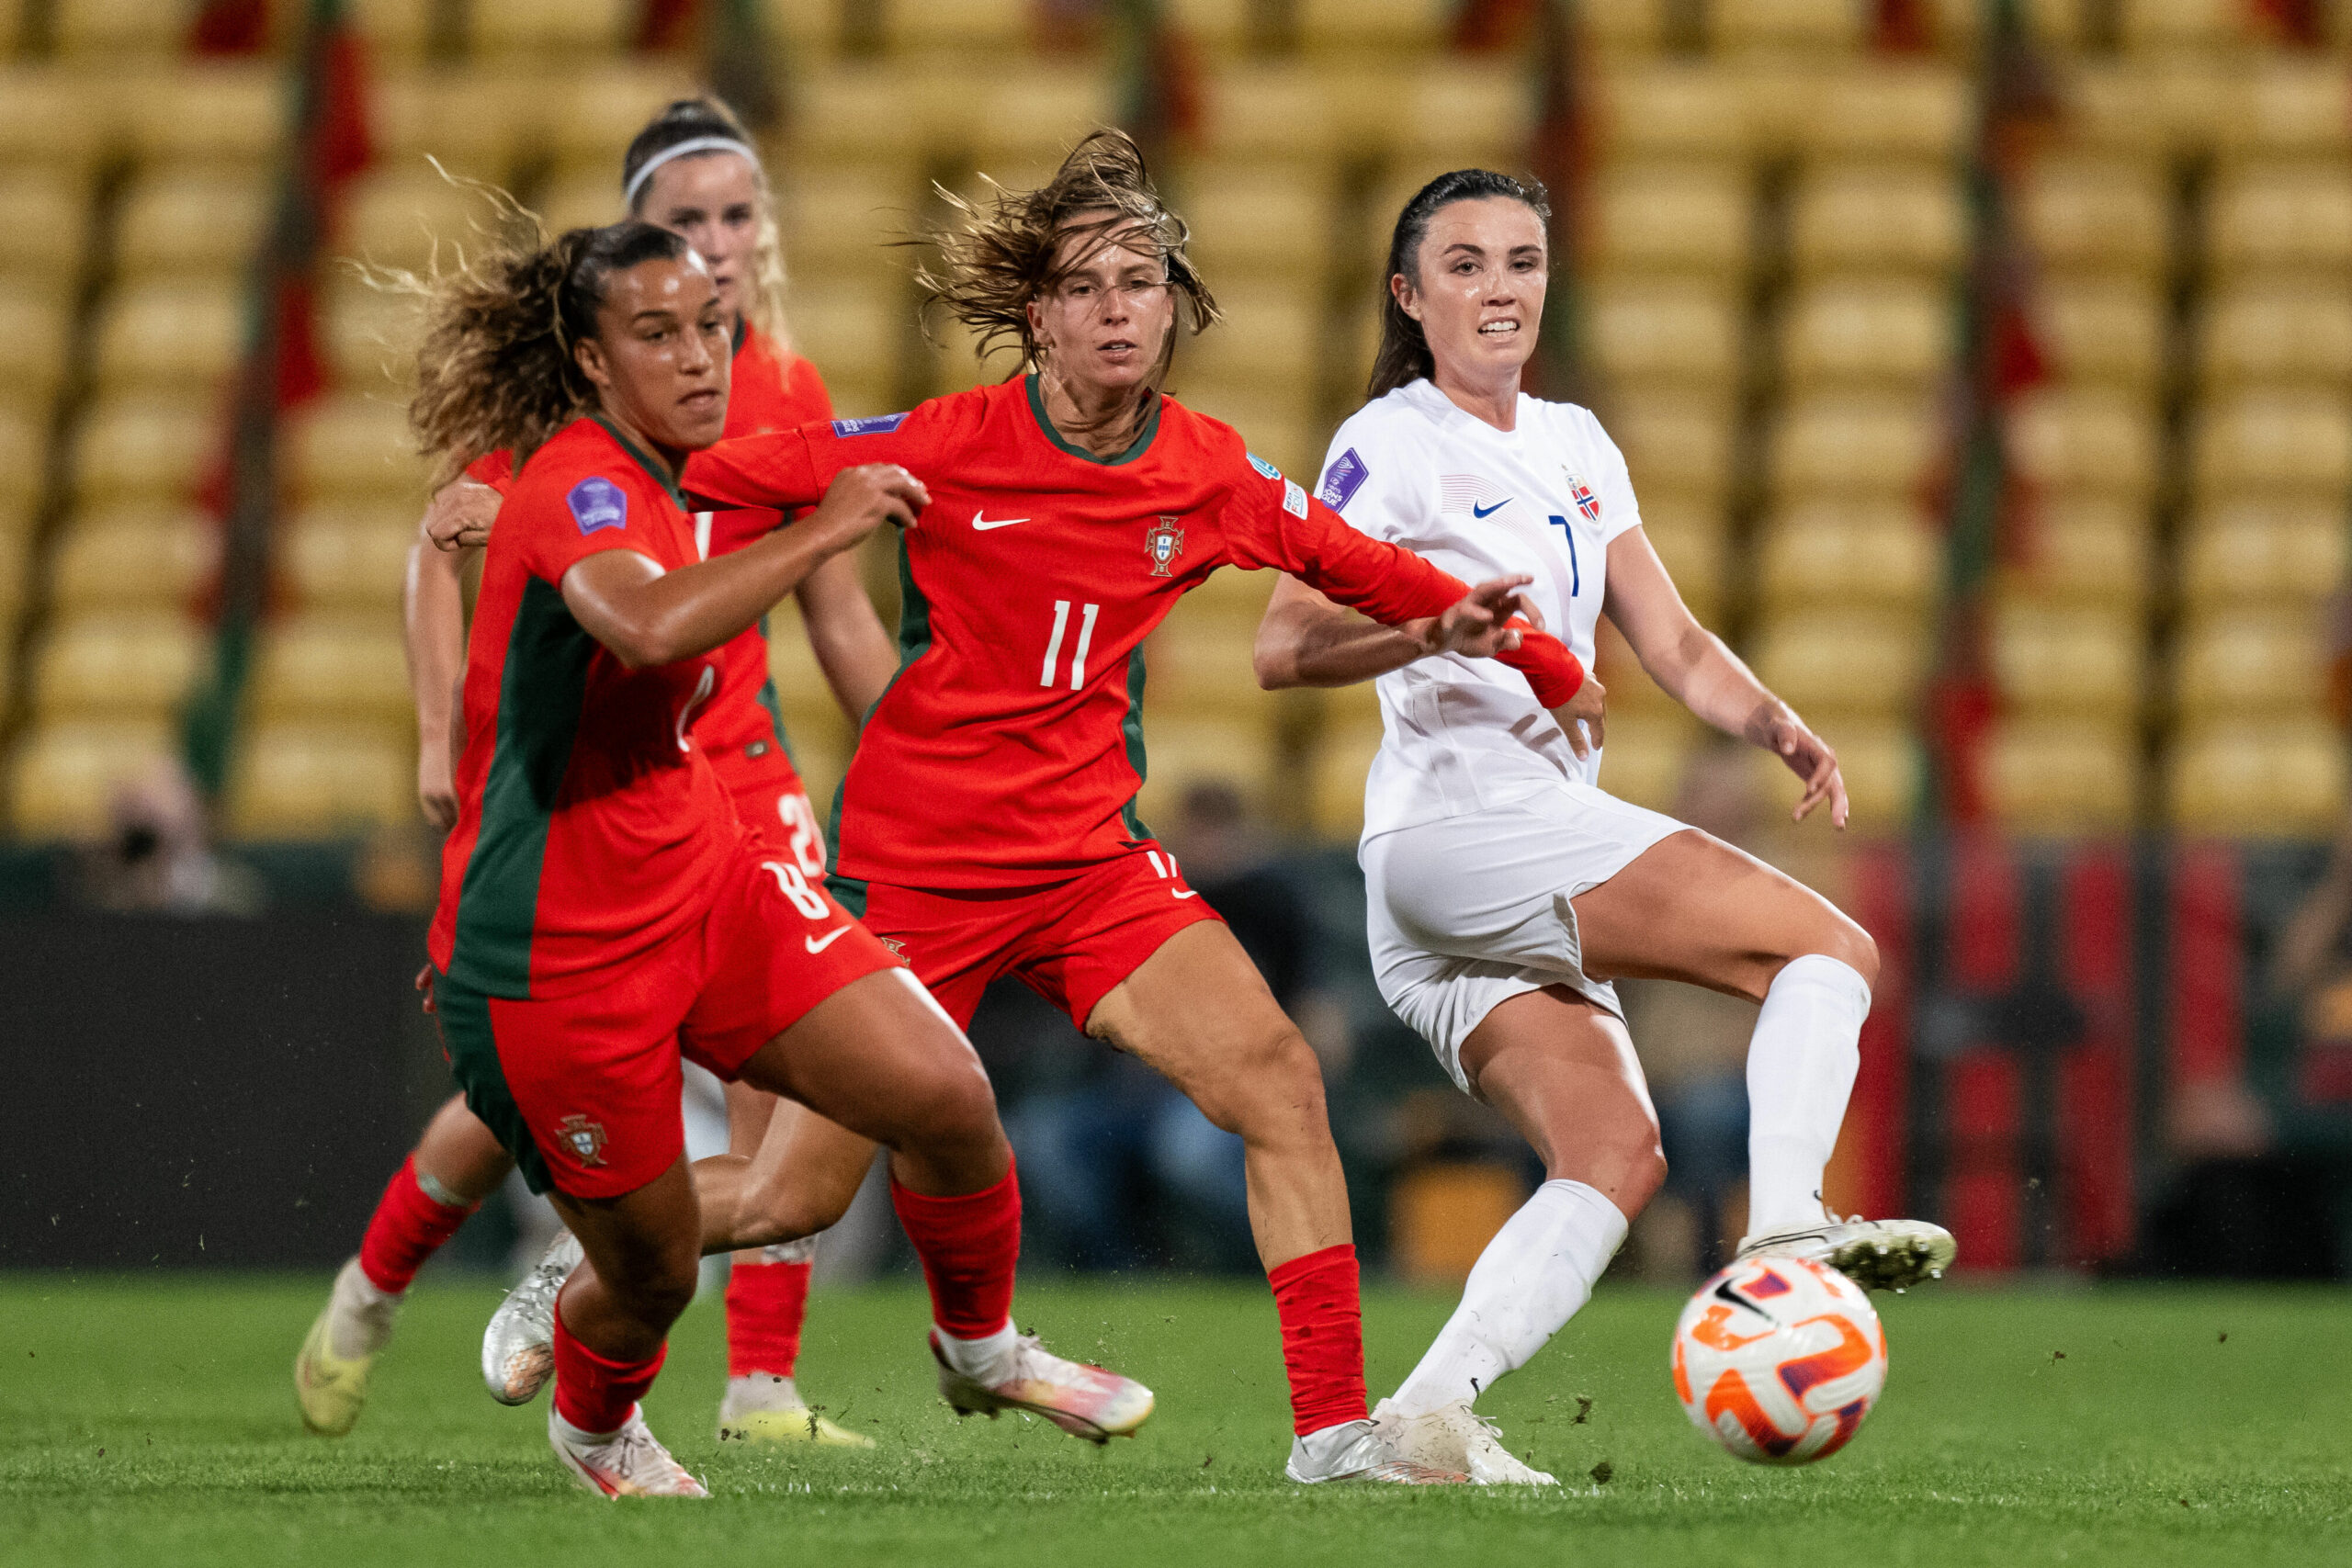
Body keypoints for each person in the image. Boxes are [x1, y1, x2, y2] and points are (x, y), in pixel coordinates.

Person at [448, 130, 1600, 1485]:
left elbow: (1364, 567)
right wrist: (526, 491)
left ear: (1175, 308)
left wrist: (1534, 655)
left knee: (1282, 1081)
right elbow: (737, 468)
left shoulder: (1207, 471)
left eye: (1145, 282)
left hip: (1089, 865)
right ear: (1039, 318)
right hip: (916, 866)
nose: (1122, 309)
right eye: (1089, 286)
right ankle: (597, 1263)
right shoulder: (948, 442)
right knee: (790, 1196)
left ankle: (1333, 1433)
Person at [368, 215, 1152, 1497]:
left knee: (946, 1096)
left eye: (712, 328)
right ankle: (595, 1425)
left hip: (703, 877)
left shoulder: (686, 470)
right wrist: (826, 528)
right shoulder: (584, 479)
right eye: (657, 334)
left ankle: (981, 1349)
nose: (698, 358)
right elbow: (643, 625)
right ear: (587, 358)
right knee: (657, 1272)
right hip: (557, 944)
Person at [1250, 170, 1958, 1484]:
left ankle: (1413, 1426)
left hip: (1473, 868)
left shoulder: (1576, 441)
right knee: (1833, 955)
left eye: (1521, 260)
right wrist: (1433, 627)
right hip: (1468, 825)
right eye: (1462, 264)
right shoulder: (1387, 441)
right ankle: (1788, 1233)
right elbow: (1280, 651)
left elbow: (1673, 639)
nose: (1499, 287)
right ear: (1408, 296)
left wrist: (1772, 722)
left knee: (1616, 1155)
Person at [298, 99, 893, 1450]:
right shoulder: (586, 402)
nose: (720, 245)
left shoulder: (788, 390)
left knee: (793, 1089)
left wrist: (921, 757)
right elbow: (442, 536)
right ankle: (375, 1288)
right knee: (514, 1097)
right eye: (688, 222)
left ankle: (758, 1388)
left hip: (741, 769)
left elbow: (841, 615)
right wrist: (435, 732)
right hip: (601, 787)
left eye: (740, 217)